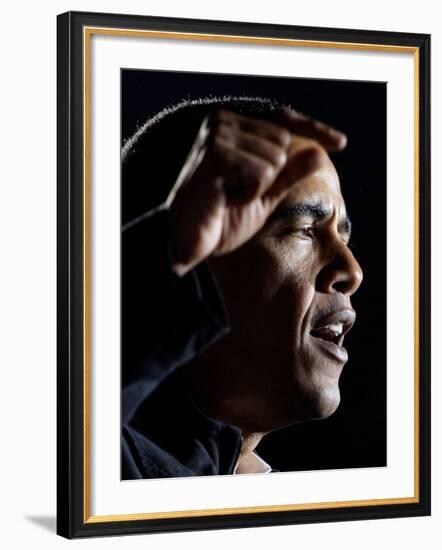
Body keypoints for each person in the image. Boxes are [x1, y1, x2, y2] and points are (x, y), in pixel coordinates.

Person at [121, 96, 363, 479]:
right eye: (303, 230)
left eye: (343, 238)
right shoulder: (86, 462)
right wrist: (166, 247)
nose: (352, 271)